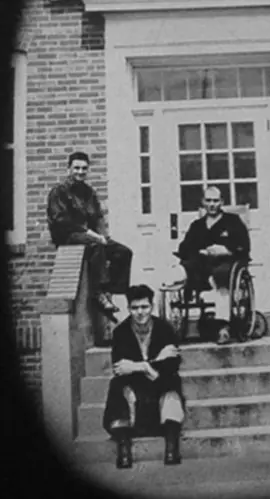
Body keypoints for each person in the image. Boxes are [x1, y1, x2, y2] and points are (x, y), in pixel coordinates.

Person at [103, 284, 185, 468]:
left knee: (172, 384)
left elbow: (172, 366)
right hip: (136, 392)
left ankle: (172, 447)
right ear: (128, 308)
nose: (140, 312)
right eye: (135, 308)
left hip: (159, 387)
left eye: (144, 307)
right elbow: (120, 368)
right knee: (117, 385)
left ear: (152, 306)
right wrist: (152, 363)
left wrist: (139, 366)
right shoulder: (121, 332)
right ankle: (124, 449)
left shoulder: (165, 329)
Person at [47, 151, 133, 320]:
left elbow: (98, 217)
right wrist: (91, 234)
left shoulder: (89, 193)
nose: (80, 172)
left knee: (123, 252)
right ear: (68, 169)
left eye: (84, 168)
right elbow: (61, 220)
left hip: (90, 235)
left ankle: (109, 292)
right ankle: (98, 294)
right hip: (68, 236)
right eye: (76, 168)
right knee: (96, 245)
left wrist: (103, 235)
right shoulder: (59, 192)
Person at [172, 185, 251, 345]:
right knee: (183, 269)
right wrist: (199, 251)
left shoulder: (232, 221)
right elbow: (184, 248)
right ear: (203, 202)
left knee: (221, 276)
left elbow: (244, 246)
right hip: (201, 266)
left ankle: (223, 327)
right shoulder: (197, 225)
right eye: (208, 200)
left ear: (221, 202)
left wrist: (226, 250)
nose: (212, 204)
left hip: (226, 265)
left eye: (216, 200)